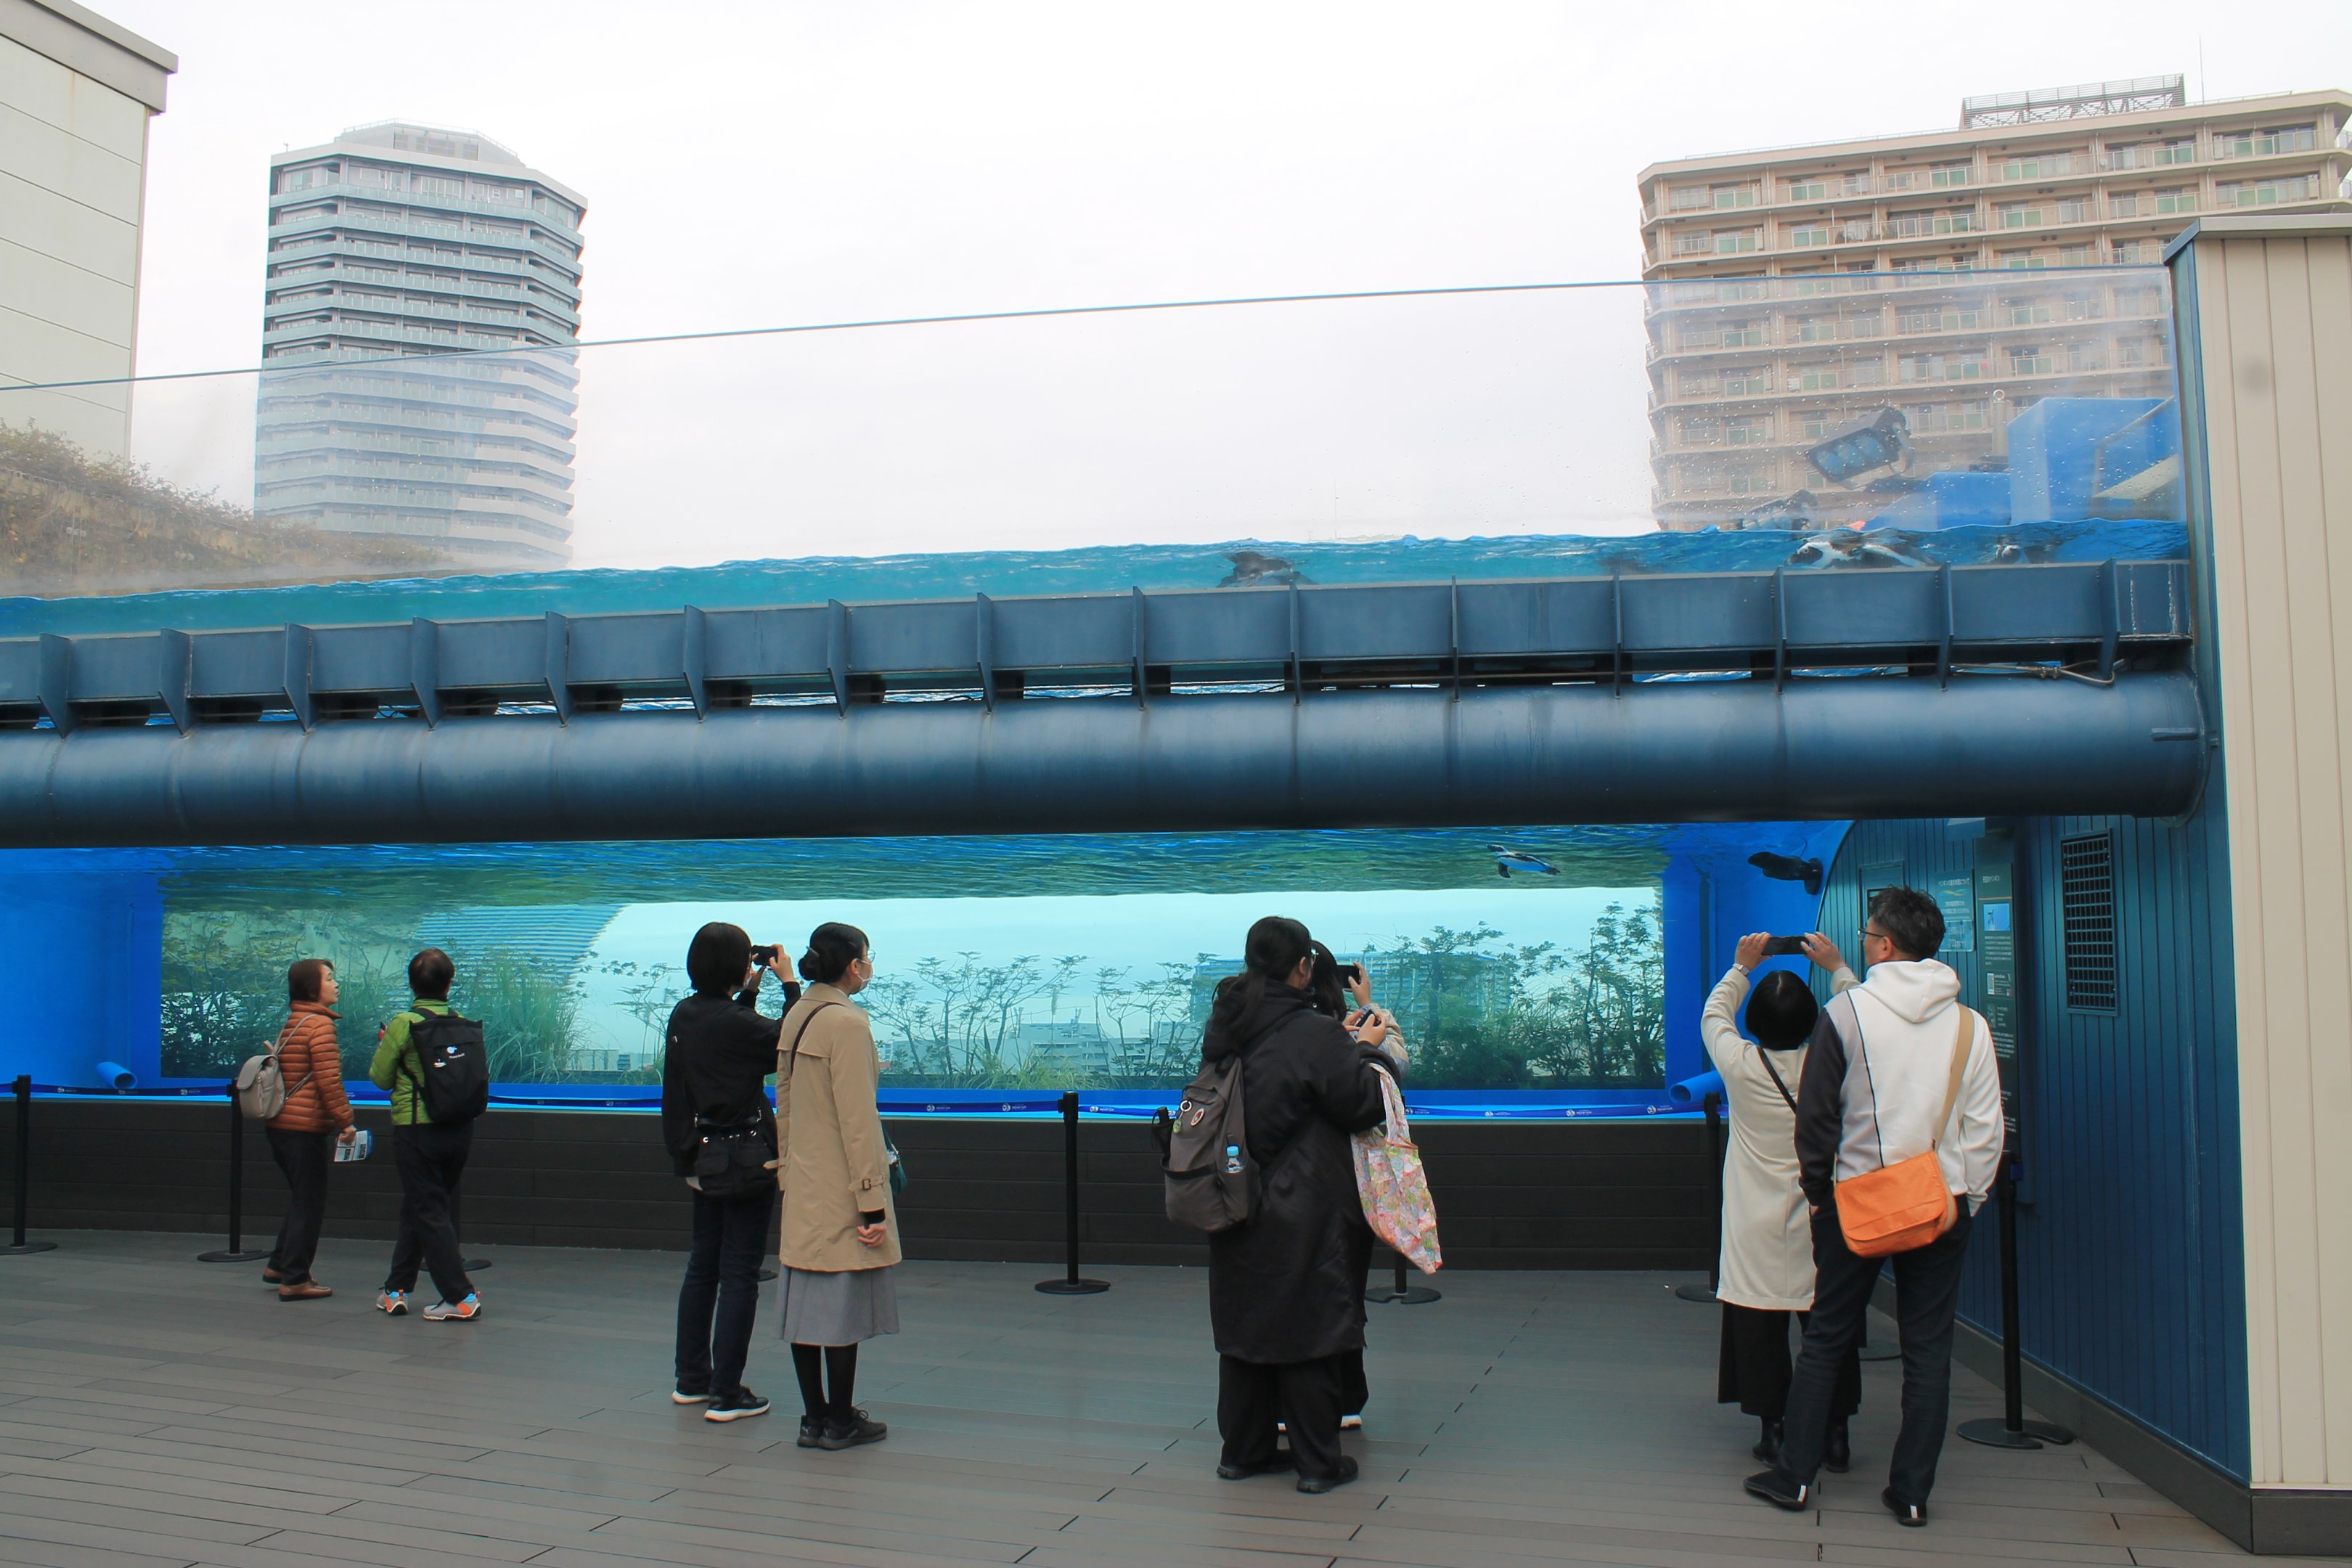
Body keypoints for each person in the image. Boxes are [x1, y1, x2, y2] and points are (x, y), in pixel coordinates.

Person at [1746, 888, 2004, 1529]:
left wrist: (1820, 1196)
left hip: (1854, 1205)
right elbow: (1986, 1128)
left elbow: (1818, 1120)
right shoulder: (1971, 1025)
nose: (1863, 942)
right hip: (1940, 1206)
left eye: (1867, 935)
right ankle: (1912, 1493)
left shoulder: (1844, 1014)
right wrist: (1965, 1198)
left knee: (1827, 1338)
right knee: (1928, 1350)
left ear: (1885, 945)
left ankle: (1795, 1478)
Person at [1206, 917, 1392, 1495]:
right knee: (1312, 1323)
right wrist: (1369, 1055)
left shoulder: (1227, 1024)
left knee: (1246, 1323)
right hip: (1305, 1199)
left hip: (1233, 1191)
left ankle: (1243, 1452)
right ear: (1304, 966)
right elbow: (1361, 1105)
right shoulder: (1313, 1032)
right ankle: (1318, 1464)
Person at [1704, 932, 1861, 1466]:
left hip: (1755, 1220)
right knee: (1829, 1319)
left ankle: (1774, 1431)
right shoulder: (1833, 1062)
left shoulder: (1740, 1065)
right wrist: (1837, 966)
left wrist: (1741, 967)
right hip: (1825, 1214)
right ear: (1815, 1020)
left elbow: (1714, 1017)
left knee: (1758, 1322)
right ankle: (1835, 1434)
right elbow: (1861, 1018)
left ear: (1757, 1026)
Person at [663, 923, 796, 1422]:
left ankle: (692, 1379)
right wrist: (786, 984)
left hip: (702, 1156)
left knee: (704, 1266)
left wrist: (750, 989)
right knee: (740, 1273)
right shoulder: (734, 1023)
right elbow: (787, 1041)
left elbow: (733, 1035)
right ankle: (727, 1393)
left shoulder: (687, 1013)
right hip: (744, 1158)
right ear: (735, 965)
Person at [775, 923, 899, 1452]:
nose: (868, 965)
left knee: (803, 1307)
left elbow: (785, 1098)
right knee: (840, 1309)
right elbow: (859, 1123)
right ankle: (841, 1420)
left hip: (802, 1179)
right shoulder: (847, 1025)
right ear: (854, 965)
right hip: (841, 1186)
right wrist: (872, 1202)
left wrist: (785, 1169)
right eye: (867, 958)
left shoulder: (799, 1013)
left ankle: (814, 1419)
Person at [1307, 942, 1404, 1433]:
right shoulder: (1330, 1037)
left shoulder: (1270, 1034)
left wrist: (1360, 1023)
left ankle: (1289, 1402)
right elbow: (1382, 1084)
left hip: (1286, 1185)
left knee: (1298, 1287)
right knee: (1343, 1284)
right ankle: (1343, 1396)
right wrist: (1366, 1033)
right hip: (1343, 1182)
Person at [369, 947, 482, 1322]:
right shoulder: (462, 1022)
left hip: (417, 1130)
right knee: (424, 1207)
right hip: (459, 1129)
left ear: (411, 984)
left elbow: (381, 1078)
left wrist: (385, 1045)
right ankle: (395, 1290)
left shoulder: (404, 1023)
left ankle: (461, 1296)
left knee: (429, 1210)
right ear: (449, 984)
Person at [261, 957, 359, 1302]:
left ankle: (279, 1265)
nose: (336, 984)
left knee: (301, 1197)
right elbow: (329, 1082)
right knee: (310, 1201)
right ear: (311, 988)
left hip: (281, 1125)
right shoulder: (319, 1026)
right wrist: (346, 1123)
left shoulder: (294, 1020)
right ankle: (296, 1278)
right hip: (303, 1129)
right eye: (329, 978)